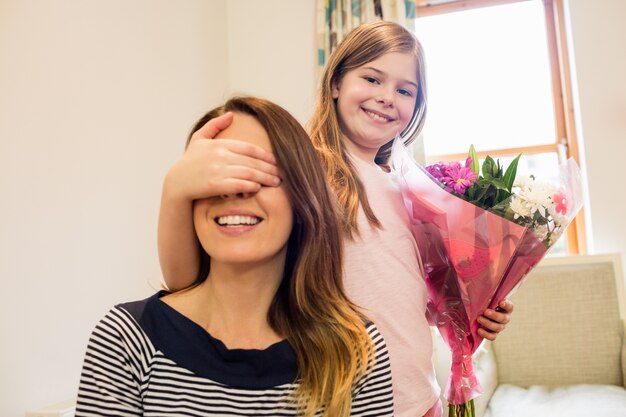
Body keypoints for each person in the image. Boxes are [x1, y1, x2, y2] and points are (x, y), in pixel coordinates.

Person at [157, 22, 514, 417]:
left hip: (418, 395)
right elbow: (187, 283)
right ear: (335, 84)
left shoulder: (410, 191)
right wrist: (177, 190)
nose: (386, 98)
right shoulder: (306, 172)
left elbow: (414, 299)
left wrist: (474, 311)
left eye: (404, 90)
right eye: (372, 78)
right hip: (341, 401)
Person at [76, 97, 394, 417]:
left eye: (258, 173)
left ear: (302, 198)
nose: (233, 190)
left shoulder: (357, 352)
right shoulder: (125, 340)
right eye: (214, 174)